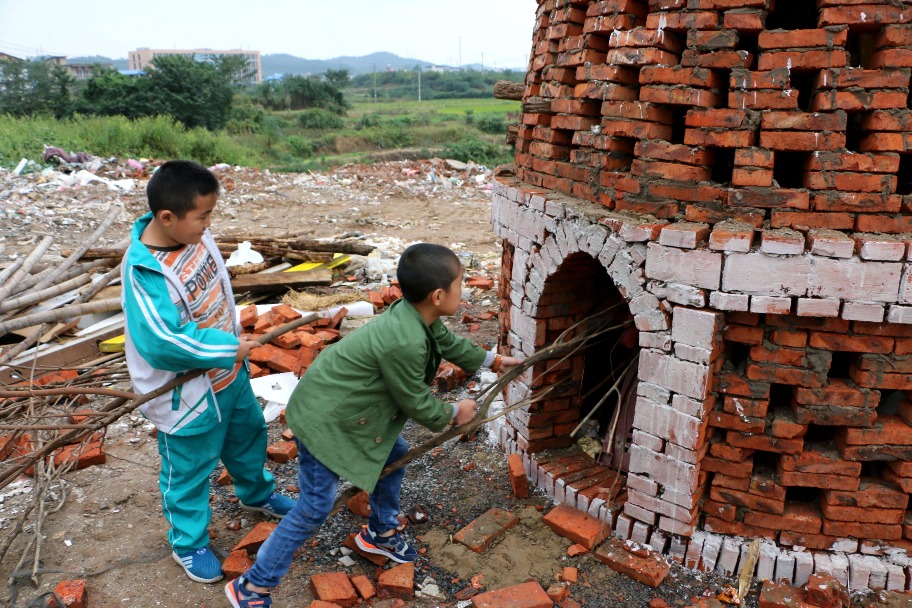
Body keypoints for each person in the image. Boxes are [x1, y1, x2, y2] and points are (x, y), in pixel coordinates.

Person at [225, 243, 521, 608]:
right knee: (315, 507)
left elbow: (447, 342)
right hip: (325, 421)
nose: (463, 291)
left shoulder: (415, 316)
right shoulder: (405, 341)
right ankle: (252, 585)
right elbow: (414, 400)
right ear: (439, 295)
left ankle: (380, 532)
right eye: (461, 284)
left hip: (341, 409)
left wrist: (491, 361)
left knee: (393, 452)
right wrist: (451, 412)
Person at [121, 160, 294, 584]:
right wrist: (228, 348)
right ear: (167, 217)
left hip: (228, 376)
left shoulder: (194, 236)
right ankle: (189, 542)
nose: (208, 224)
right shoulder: (145, 270)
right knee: (189, 468)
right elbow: (163, 341)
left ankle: (257, 493)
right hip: (187, 394)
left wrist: (232, 352)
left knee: (248, 435)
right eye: (202, 216)